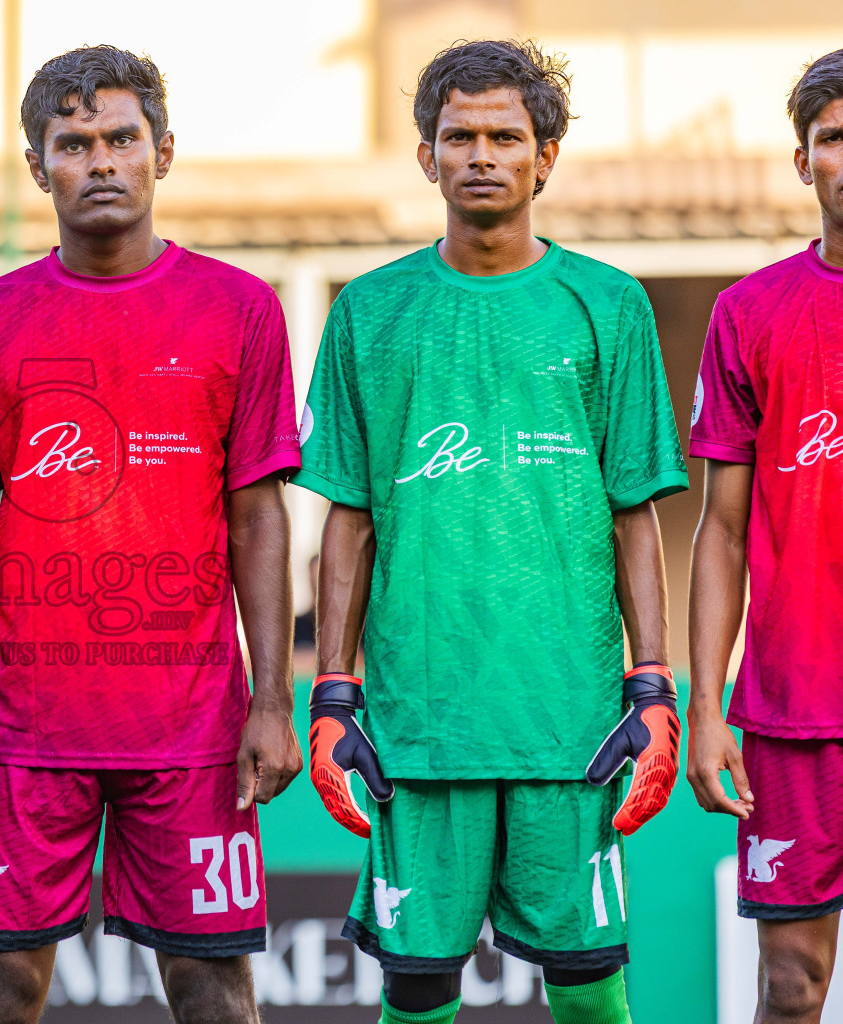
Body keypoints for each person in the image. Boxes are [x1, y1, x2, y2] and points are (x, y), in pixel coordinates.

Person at [293, 41, 687, 1024]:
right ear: (427, 157)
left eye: (504, 136)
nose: (480, 154)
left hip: (572, 723)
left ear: (543, 156)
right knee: (416, 983)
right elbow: (347, 520)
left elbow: (634, 512)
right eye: (457, 136)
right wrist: (333, 695)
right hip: (420, 726)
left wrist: (654, 686)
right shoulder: (371, 311)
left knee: (588, 977)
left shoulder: (608, 305)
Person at [0, 45, 302, 1024]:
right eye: (74, 143)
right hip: (23, 732)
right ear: (39, 166)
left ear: (163, 152)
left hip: (193, 729)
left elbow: (259, 515)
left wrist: (272, 699)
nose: (101, 162)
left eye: (122, 139)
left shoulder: (241, 309)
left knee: (213, 987)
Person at [686, 49, 843, 1024]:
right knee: (790, 986)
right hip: (791, 707)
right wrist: (707, 706)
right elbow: (720, 531)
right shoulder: (750, 313)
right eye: (835, 138)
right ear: (804, 162)